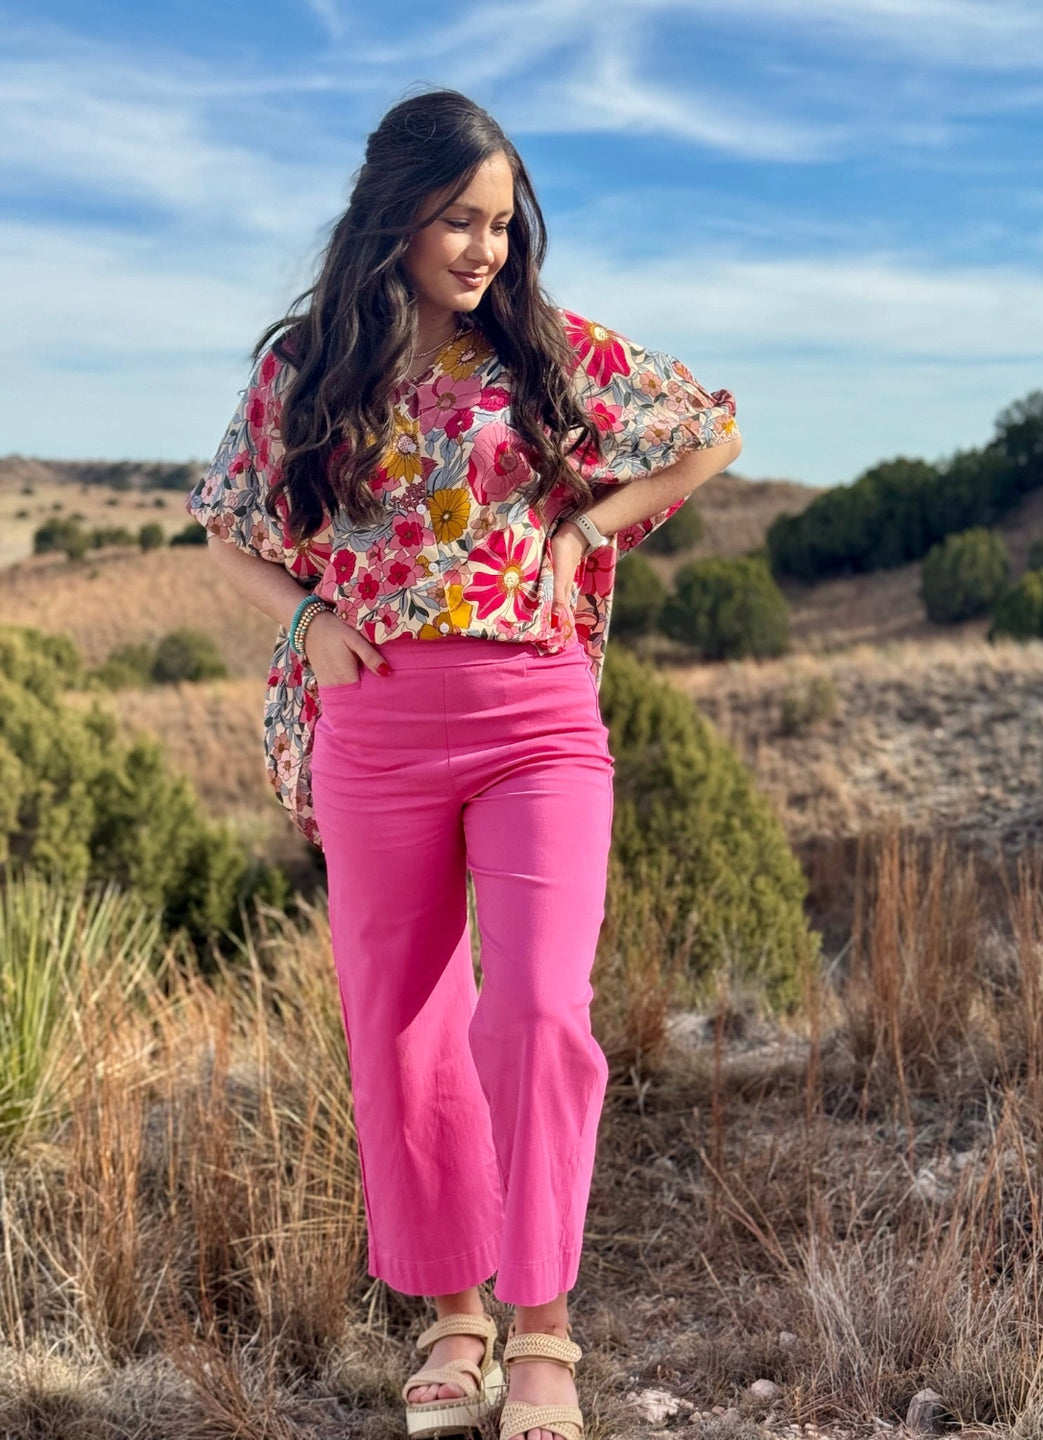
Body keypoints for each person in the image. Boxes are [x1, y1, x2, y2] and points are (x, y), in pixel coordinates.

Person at [185, 86, 741, 1440]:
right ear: (396, 214)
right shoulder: (308, 366)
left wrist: (582, 533)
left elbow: (712, 431)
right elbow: (227, 526)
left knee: (539, 1012)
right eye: (458, 219)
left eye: (501, 222)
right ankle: (453, 1315)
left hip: (538, 719)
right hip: (375, 730)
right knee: (405, 1025)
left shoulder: (549, 353)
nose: (485, 248)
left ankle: (542, 1324)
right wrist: (307, 620)